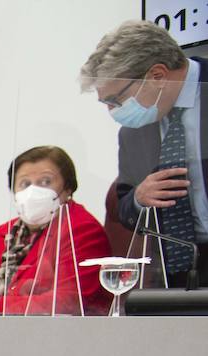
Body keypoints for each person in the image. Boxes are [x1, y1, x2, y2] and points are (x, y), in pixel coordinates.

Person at [83, 20, 208, 287]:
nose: (113, 112)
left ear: (158, 76)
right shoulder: (133, 129)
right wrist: (139, 198)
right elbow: (124, 204)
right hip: (175, 272)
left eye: (116, 100)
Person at [0, 146, 113, 315]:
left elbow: (70, 301)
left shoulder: (82, 229)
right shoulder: (4, 233)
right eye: (25, 184)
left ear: (68, 189)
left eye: (46, 181)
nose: (33, 191)